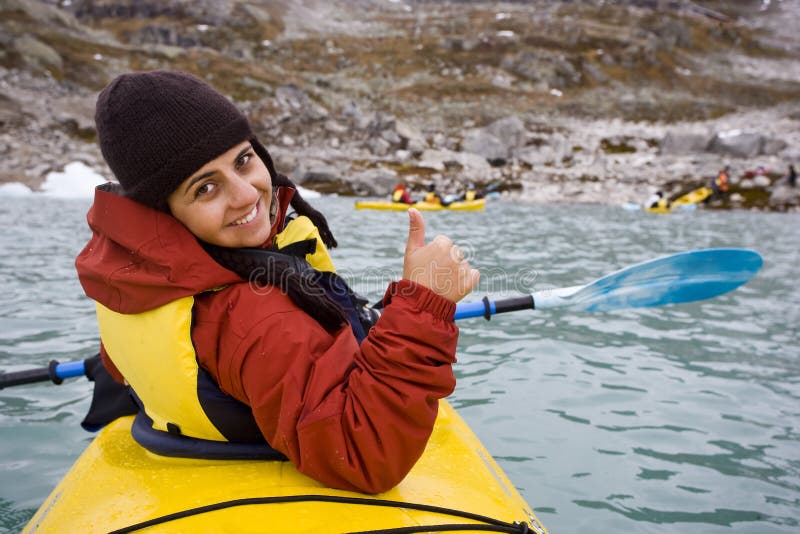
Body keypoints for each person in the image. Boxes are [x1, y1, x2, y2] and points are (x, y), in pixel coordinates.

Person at [75, 70, 480, 494]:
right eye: (206, 188)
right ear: (164, 213)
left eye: (242, 161)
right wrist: (424, 305)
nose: (247, 195)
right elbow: (363, 455)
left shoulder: (133, 277)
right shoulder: (256, 316)